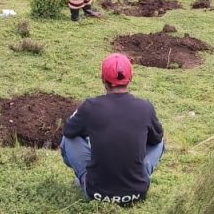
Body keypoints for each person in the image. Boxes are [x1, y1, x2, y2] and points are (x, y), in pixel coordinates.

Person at [61, 53, 164, 204]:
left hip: (95, 193)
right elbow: (156, 139)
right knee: (160, 142)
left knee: (68, 139)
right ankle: (140, 177)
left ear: (103, 80)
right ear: (130, 79)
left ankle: (83, 179)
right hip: (137, 193)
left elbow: (68, 130)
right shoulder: (145, 107)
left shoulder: (90, 107)